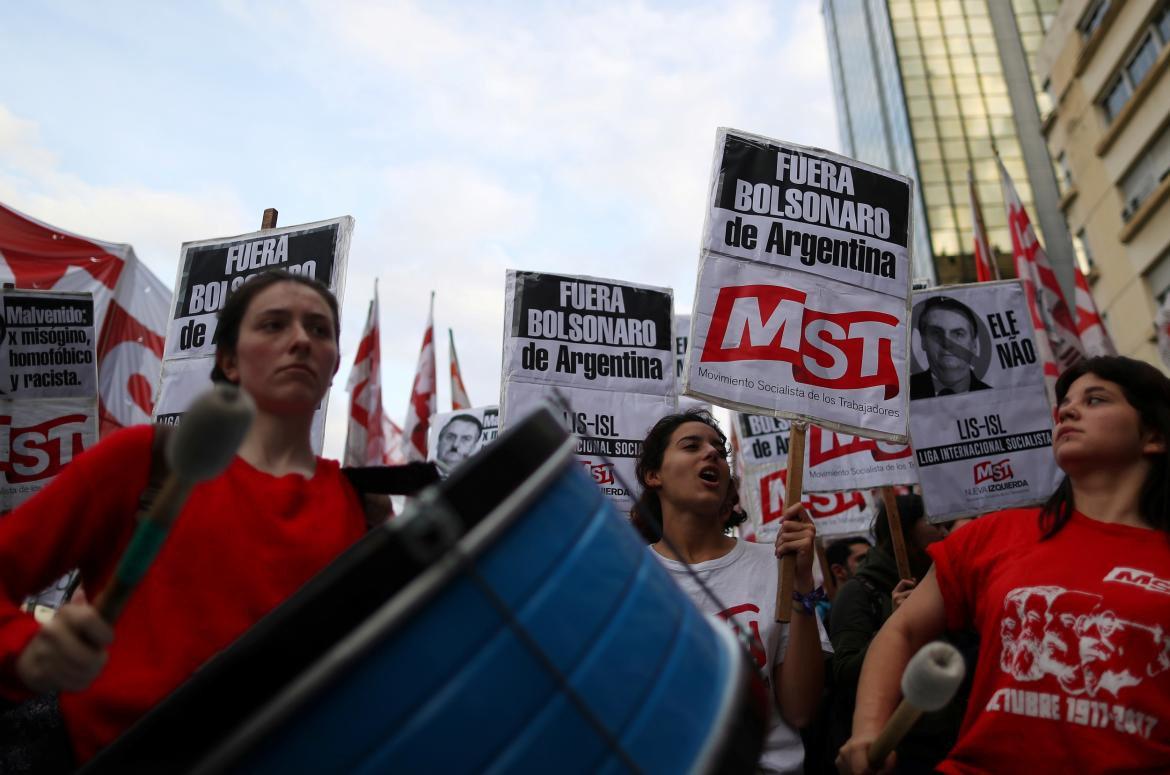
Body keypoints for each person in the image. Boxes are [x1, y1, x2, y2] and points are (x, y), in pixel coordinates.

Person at [0, 270, 368, 770]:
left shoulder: (363, 508)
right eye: (274, 325)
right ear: (229, 361)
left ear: (334, 367)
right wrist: (27, 651)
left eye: (319, 330)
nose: (301, 340)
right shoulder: (143, 460)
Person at [838, 356, 1170, 774]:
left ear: (1154, 436)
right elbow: (901, 630)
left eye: (1096, 400)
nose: (1067, 410)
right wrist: (867, 729)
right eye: (1064, 402)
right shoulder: (992, 536)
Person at [631, 409, 831, 774]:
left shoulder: (776, 566)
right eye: (692, 446)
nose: (712, 454)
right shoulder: (627, 577)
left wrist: (802, 584)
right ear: (653, 474)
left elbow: (801, 709)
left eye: (720, 451)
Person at [827, 495, 956, 772]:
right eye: (935, 522)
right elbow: (844, 673)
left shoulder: (946, 581)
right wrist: (894, 626)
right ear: (906, 528)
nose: (945, 531)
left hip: (948, 742)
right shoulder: (859, 591)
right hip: (896, 750)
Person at [909, 296, 990, 400]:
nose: (947, 344)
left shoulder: (996, 397)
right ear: (923, 341)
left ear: (974, 344)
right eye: (936, 333)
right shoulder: (902, 394)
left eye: (958, 334)